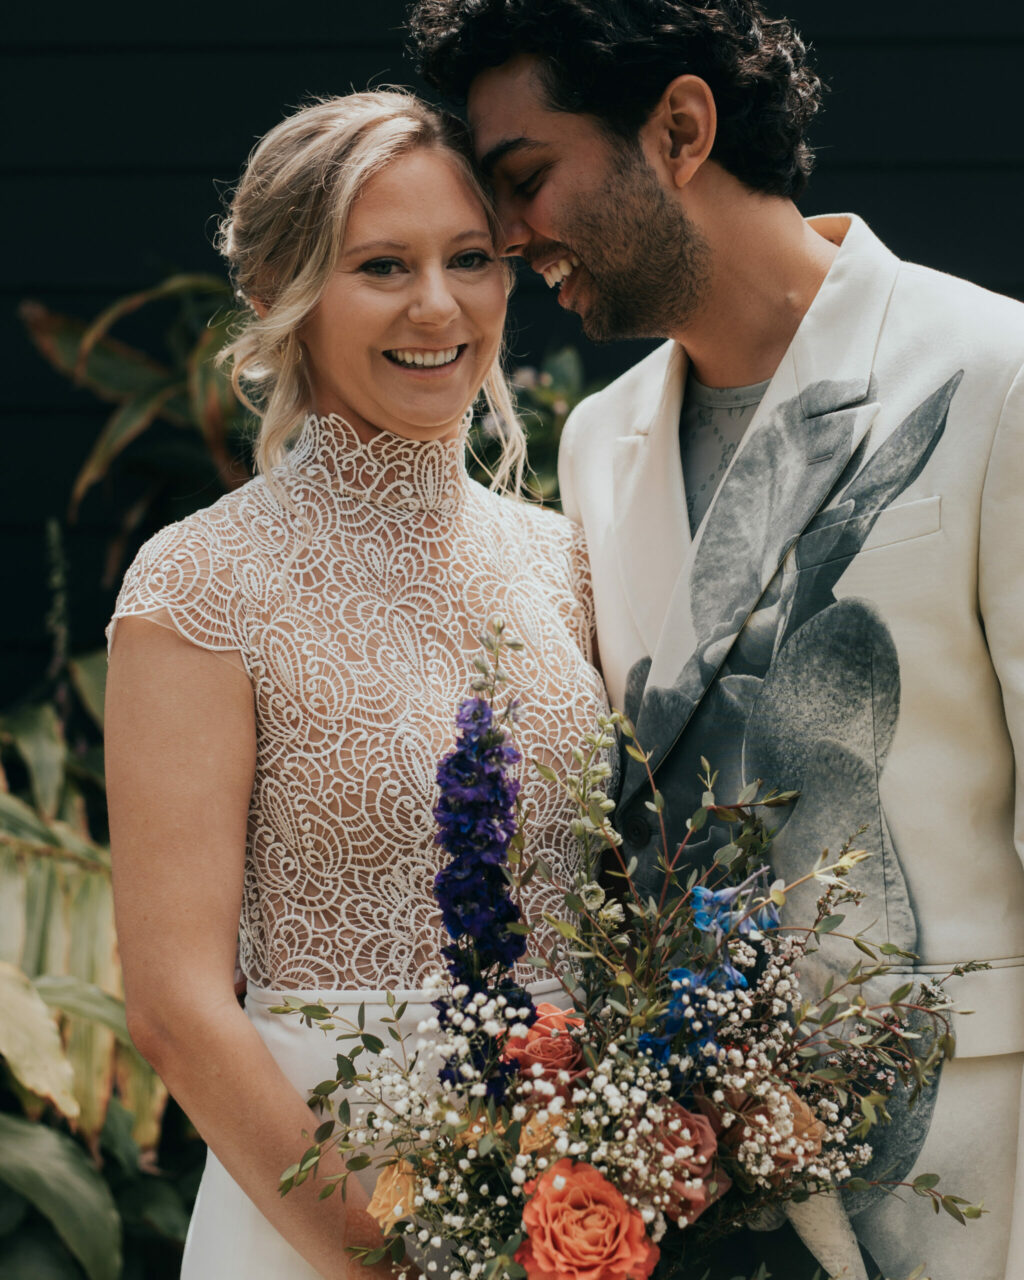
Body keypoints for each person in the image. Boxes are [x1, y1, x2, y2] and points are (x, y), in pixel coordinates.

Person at [409, 3, 1024, 1279]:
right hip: (686, 1166)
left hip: (964, 1146)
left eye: (526, 179)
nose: (511, 241)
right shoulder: (596, 438)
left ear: (680, 128)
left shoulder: (991, 370)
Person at [104, 90, 606, 1279]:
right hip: (313, 1220)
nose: (438, 305)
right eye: (383, 265)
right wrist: (405, 1254)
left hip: (572, 1209)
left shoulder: (570, 561)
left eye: (470, 259)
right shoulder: (198, 582)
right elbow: (175, 1010)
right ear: (290, 293)